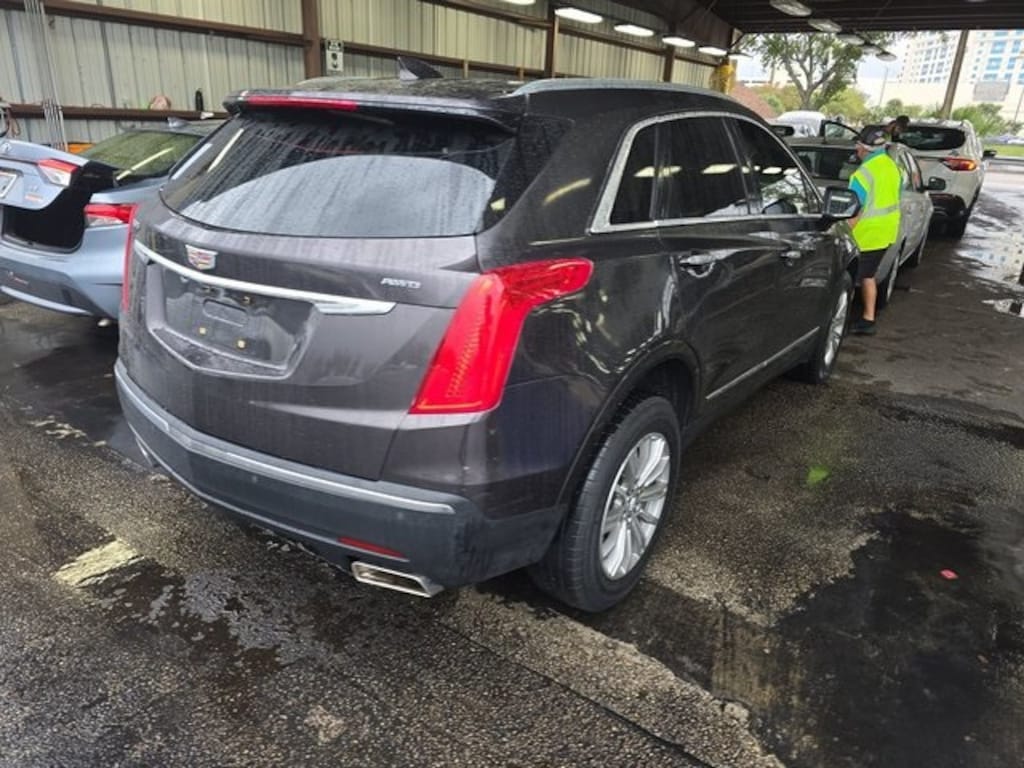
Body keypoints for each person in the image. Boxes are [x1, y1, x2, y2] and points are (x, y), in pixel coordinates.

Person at [848, 129, 902, 336]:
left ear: (864, 148)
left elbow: (854, 209)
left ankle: (847, 318)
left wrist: (843, 232)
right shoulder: (893, 167)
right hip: (886, 231)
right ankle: (868, 318)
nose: (856, 149)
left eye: (858, 145)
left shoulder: (863, 174)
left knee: (850, 279)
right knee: (867, 276)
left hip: (865, 234)